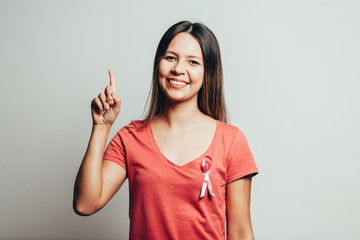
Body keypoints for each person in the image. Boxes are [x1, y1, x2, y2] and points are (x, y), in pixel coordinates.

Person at [73, 21, 259, 240]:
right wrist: (101, 127)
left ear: (208, 72)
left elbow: (240, 233)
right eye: (170, 57)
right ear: (158, 64)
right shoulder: (130, 137)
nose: (178, 69)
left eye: (193, 62)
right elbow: (86, 203)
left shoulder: (232, 140)